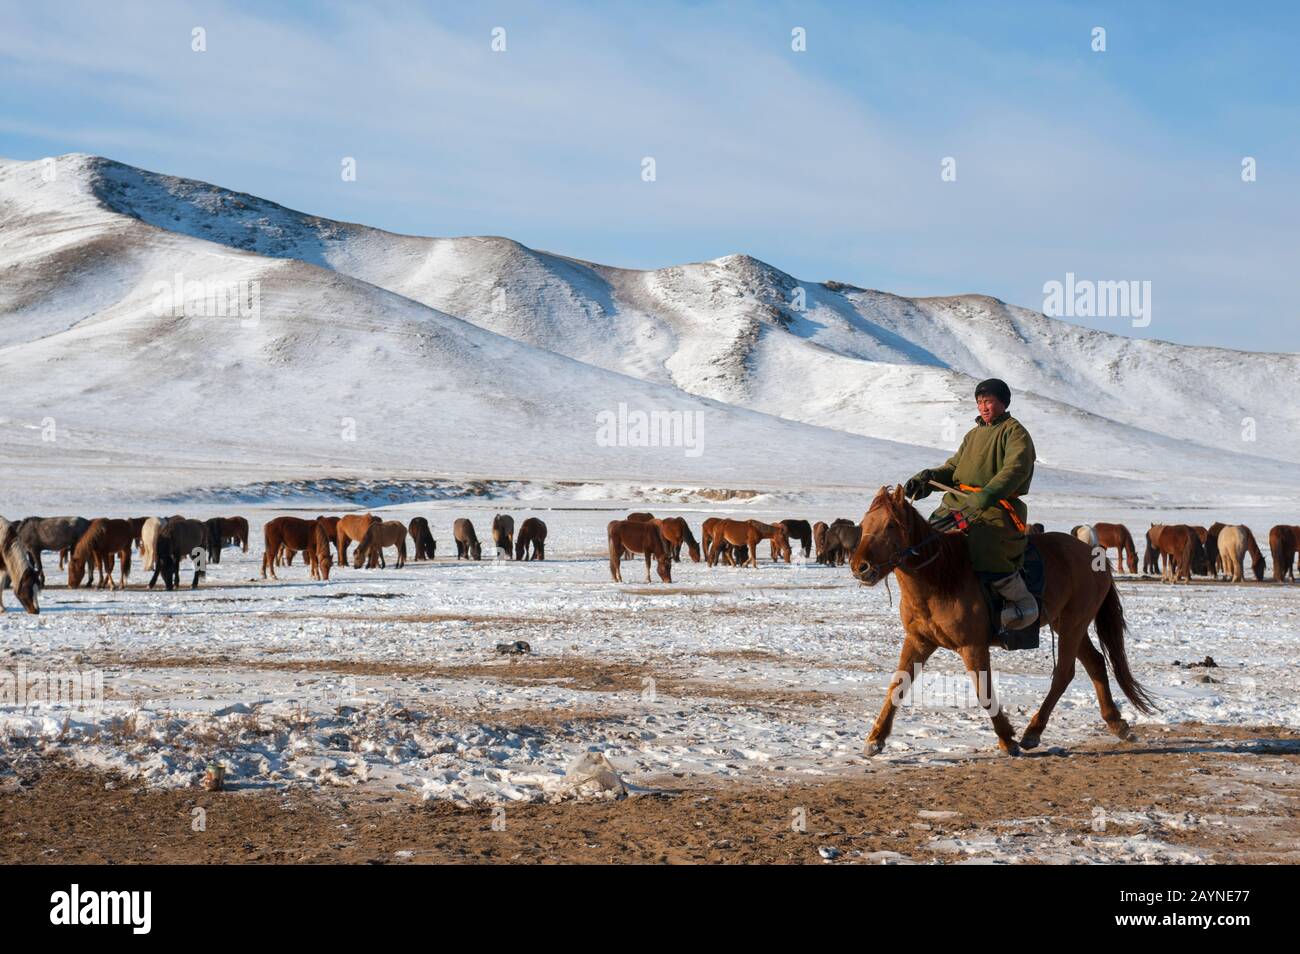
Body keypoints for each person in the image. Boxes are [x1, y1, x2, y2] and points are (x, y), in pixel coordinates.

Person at [904, 378, 1038, 647]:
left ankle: (1018, 602)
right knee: (927, 540)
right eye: (979, 402)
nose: (984, 407)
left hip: (997, 508)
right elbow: (953, 468)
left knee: (983, 543)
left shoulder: (1015, 433)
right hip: (958, 504)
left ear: (1003, 402)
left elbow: (1016, 469)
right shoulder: (973, 434)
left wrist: (988, 493)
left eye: (988, 401)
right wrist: (928, 478)